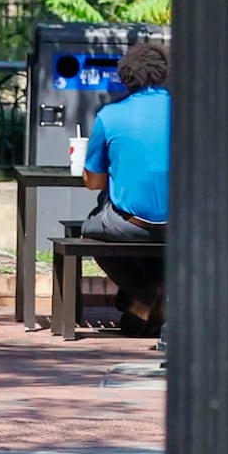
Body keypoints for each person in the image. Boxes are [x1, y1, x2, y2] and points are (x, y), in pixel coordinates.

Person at [76, 33, 172, 336]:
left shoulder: (110, 116)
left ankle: (142, 295)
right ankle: (162, 293)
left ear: (126, 77)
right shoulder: (193, 113)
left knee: (92, 229)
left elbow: (94, 182)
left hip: (130, 225)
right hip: (187, 224)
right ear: (164, 74)